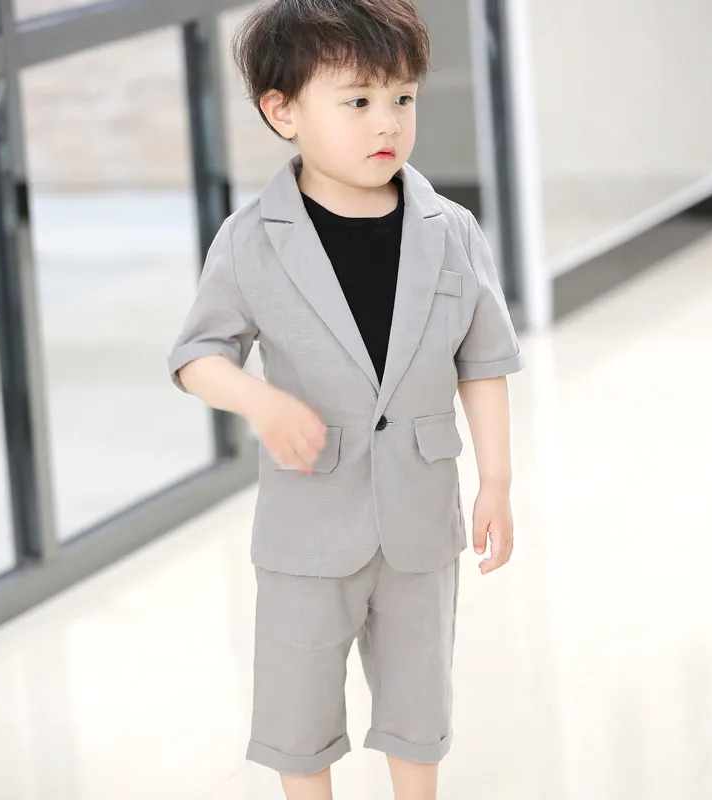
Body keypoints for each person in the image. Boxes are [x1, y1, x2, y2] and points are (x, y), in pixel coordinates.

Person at [167, 1, 525, 797]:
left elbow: (484, 360)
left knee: (419, 699)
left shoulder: (452, 230)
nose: (387, 121)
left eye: (402, 97)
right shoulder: (252, 238)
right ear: (283, 112)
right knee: (297, 712)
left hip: (420, 517)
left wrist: (496, 481)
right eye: (357, 100)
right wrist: (260, 402)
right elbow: (196, 357)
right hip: (307, 525)